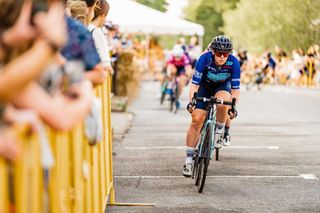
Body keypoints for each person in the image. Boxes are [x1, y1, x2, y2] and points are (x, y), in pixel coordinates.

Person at [182, 35, 240, 177]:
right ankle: (188, 160)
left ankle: (219, 131)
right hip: (204, 87)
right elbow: (194, 84)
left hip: (222, 87)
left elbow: (235, 89)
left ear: (229, 53)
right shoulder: (204, 58)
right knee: (196, 119)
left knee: (224, 100)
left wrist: (233, 107)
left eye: (225, 54)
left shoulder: (234, 62)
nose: (221, 56)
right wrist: (192, 101)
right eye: (218, 53)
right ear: (212, 51)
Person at [166, 45, 192, 109]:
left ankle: (178, 96)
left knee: (182, 81)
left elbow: (187, 68)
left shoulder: (184, 57)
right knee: (172, 71)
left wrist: (188, 76)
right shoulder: (172, 56)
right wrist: (169, 75)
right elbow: (169, 67)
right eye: (176, 57)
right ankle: (170, 85)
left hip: (181, 68)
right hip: (174, 66)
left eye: (179, 57)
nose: (177, 58)